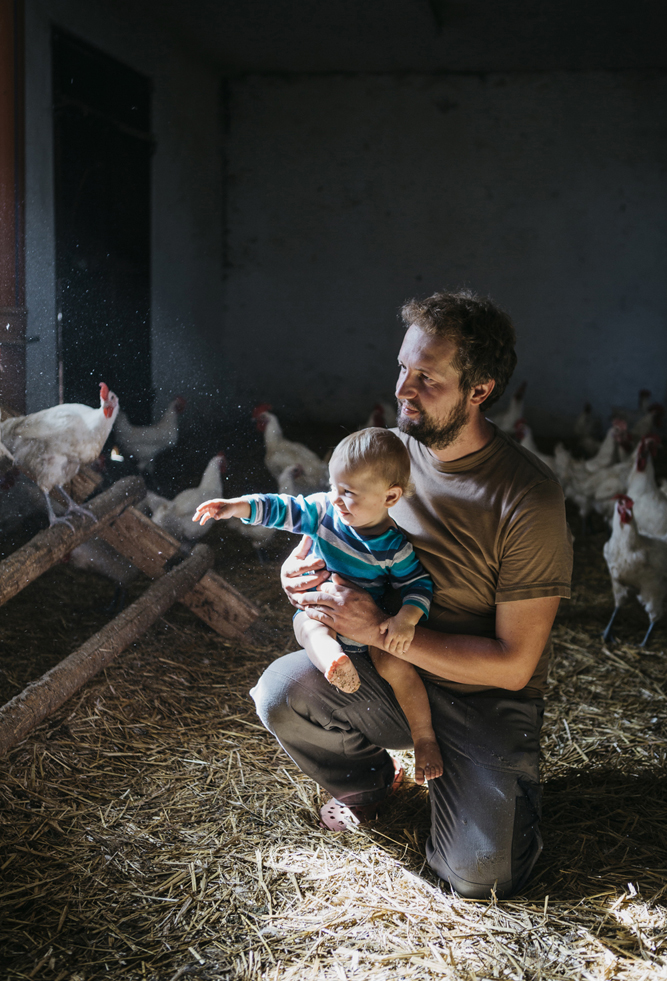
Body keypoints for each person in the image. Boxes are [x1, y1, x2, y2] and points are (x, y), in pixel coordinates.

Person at [249, 289, 573, 900]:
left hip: (482, 699)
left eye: (428, 377)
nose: (404, 388)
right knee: (282, 692)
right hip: (389, 677)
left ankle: (503, 797)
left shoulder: (528, 497)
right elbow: (328, 524)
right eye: (403, 366)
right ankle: (371, 782)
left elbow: (515, 665)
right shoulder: (387, 455)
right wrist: (300, 570)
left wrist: (377, 629)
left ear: (480, 390)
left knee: (480, 877)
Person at [193, 427, 444, 787]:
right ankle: (333, 662)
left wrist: (406, 618)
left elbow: (418, 584)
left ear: (390, 496)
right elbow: (282, 508)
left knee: (396, 664)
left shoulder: (394, 547)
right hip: (324, 616)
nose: (336, 499)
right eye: (333, 487)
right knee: (308, 626)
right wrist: (236, 507)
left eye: (349, 493)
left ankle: (424, 739)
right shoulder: (324, 512)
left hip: (370, 628)